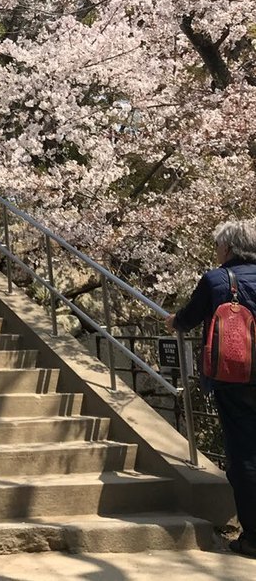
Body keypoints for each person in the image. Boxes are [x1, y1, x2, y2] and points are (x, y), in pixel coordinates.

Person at [165, 221, 256, 560]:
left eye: (218, 245)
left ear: (228, 248)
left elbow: (188, 318)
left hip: (235, 379)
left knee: (244, 454)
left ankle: (253, 537)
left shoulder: (217, 280)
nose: (216, 251)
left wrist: (174, 322)